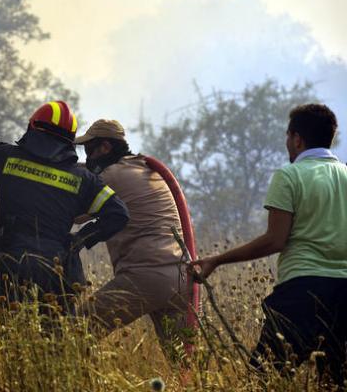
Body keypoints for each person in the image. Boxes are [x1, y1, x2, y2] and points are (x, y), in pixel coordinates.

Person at [191, 103, 347, 387]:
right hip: (345, 294)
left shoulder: (290, 176)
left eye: (288, 137)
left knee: (262, 380)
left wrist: (218, 259)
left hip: (302, 292)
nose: (287, 144)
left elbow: (276, 240)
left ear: (297, 138)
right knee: (334, 383)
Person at [0, 101, 129, 319]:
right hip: (57, 271)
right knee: (52, 345)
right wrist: (81, 239)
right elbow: (118, 214)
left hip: (10, 268)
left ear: (33, 128)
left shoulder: (5, 157)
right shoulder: (84, 181)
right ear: (69, 141)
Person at [74, 119, 193, 356]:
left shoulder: (111, 175)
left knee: (76, 331)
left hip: (145, 276)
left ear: (105, 147)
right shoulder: (145, 169)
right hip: (181, 277)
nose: (88, 158)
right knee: (183, 364)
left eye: (90, 150)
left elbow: (77, 215)